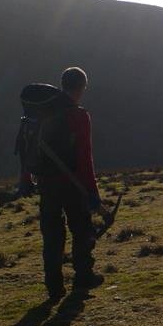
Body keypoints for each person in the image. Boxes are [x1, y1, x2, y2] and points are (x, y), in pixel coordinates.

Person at [34, 66, 106, 298]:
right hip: (71, 183)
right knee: (81, 229)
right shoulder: (78, 115)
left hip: (46, 182)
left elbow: (27, 147)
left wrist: (26, 180)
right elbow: (85, 158)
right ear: (82, 87)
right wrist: (93, 195)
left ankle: (54, 285)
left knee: (52, 233)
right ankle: (83, 276)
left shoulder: (42, 113)